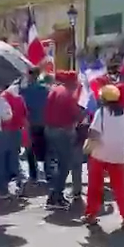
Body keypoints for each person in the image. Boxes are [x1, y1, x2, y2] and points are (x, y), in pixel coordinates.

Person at [82, 85, 124, 229]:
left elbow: (94, 133)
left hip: (99, 154)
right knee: (120, 188)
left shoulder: (101, 113)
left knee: (95, 186)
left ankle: (91, 215)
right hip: (118, 155)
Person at [43, 70, 85, 209]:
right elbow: (76, 115)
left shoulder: (55, 90)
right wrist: (82, 116)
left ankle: (55, 194)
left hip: (50, 130)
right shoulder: (67, 95)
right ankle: (55, 197)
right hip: (62, 132)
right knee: (64, 165)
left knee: (56, 164)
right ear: (72, 82)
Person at [20, 67, 49, 182]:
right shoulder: (46, 90)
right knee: (45, 148)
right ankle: (47, 174)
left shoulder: (24, 91)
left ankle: (33, 175)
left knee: (30, 150)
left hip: (29, 123)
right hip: (43, 122)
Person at [2, 82, 29, 187]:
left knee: (5, 157)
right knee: (15, 156)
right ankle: (20, 180)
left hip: (5, 130)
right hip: (17, 130)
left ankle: (6, 182)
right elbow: (24, 115)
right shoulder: (19, 98)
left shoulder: (3, 97)